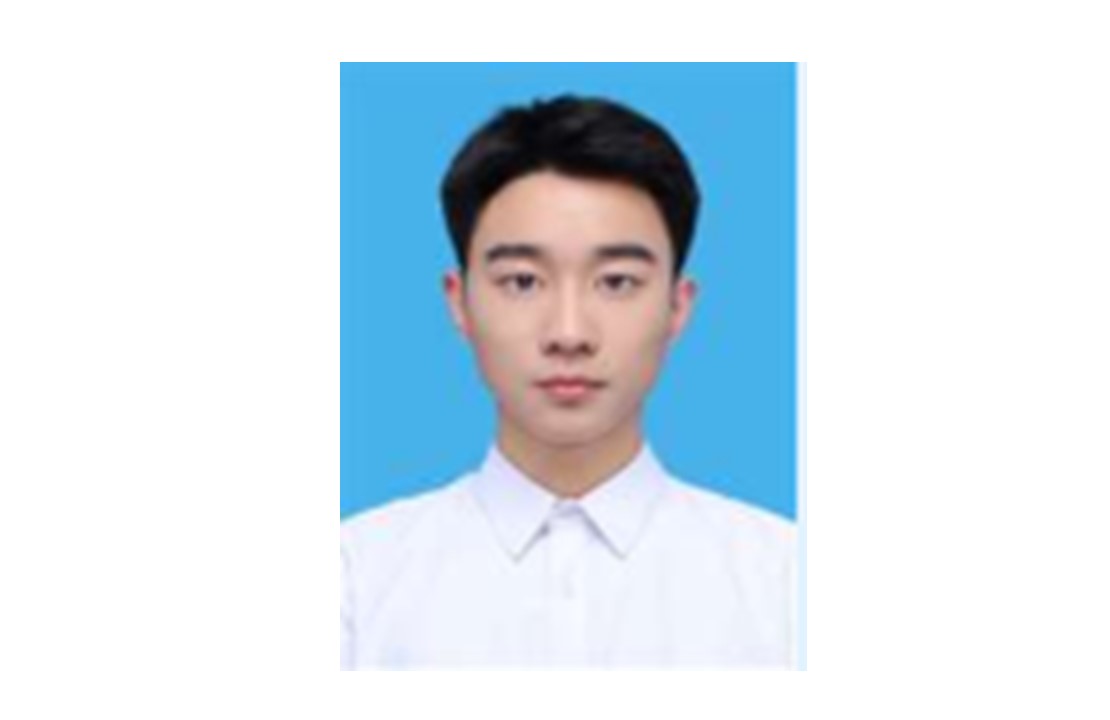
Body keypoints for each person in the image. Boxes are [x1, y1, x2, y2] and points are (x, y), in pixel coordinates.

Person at [340, 95, 796, 668]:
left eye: (617, 282)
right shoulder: (355, 578)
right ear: (460, 303)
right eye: (523, 281)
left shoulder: (785, 580)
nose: (569, 333)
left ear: (678, 306)